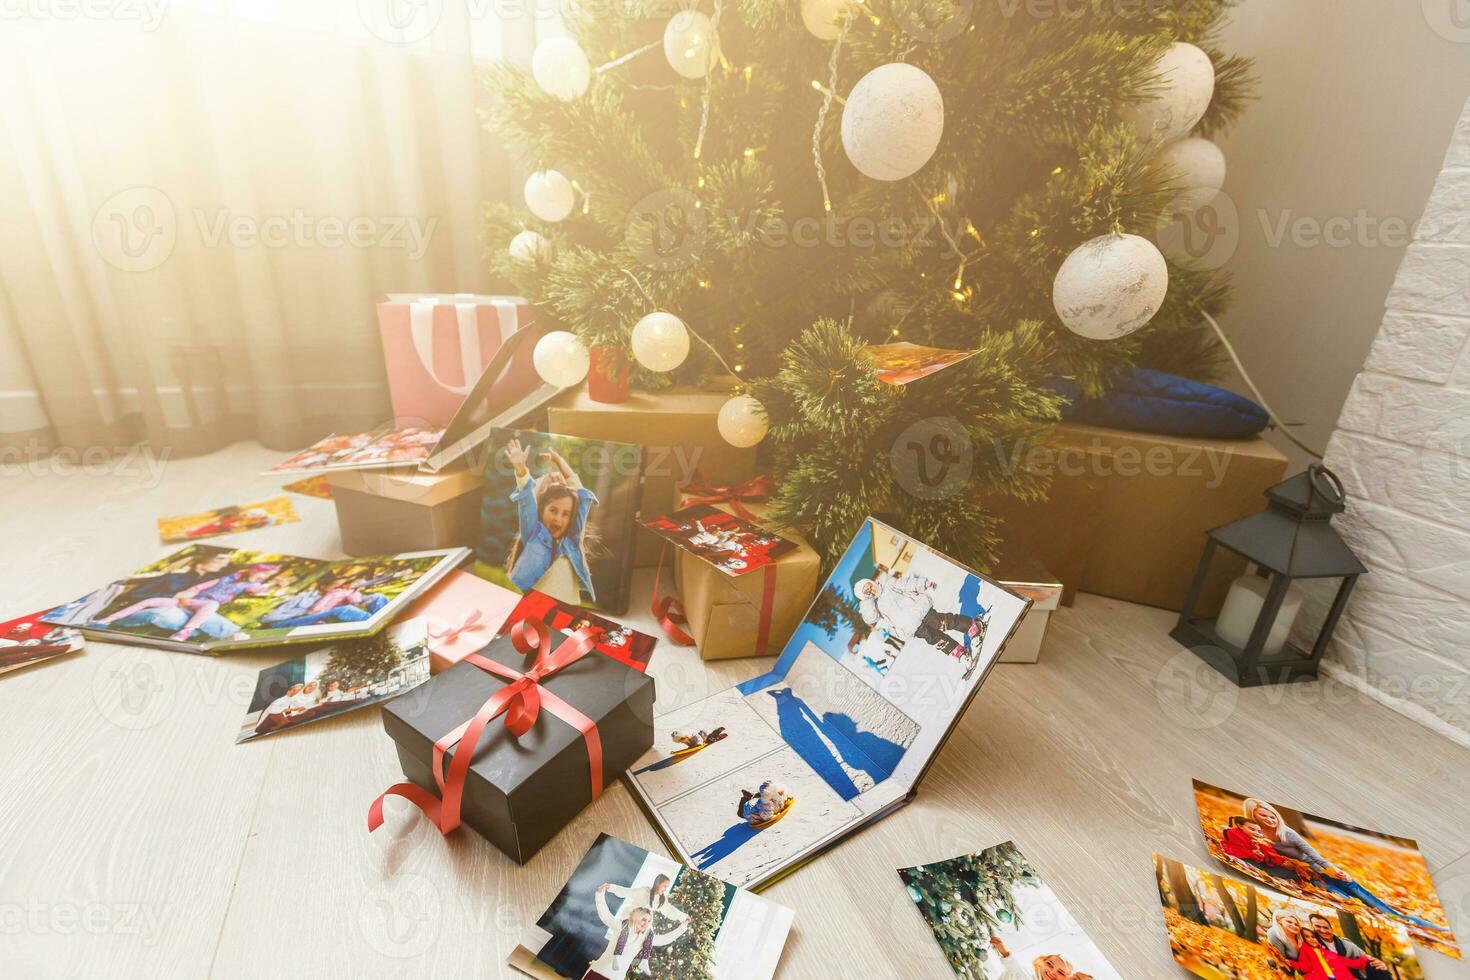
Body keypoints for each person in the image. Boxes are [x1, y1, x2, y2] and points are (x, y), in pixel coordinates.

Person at [1244, 799, 1445, 929]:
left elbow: (1314, 855)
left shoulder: (1287, 832)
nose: (1269, 819)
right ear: (1254, 817)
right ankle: (1391, 926)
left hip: (1325, 871)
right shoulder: (1256, 835)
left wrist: (1336, 871)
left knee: (1379, 907)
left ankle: (1427, 926)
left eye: (1272, 815)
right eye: (1264, 816)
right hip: (1312, 880)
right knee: (1350, 904)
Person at [505, 439, 599, 605]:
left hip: (569, 613)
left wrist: (560, 462)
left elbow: (583, 498)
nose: (558, 519)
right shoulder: (534, 536)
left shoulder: (572, 541)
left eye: (566, 514)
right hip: (536, 611)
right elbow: (526, 500)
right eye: (553, 510)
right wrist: (520, 469)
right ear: (541, 510)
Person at [94, 563, 280, 642]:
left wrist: (271, 586)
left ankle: (185, 632)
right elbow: (200, 587)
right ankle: (106, 620)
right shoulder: (228, 577)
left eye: (265, 575)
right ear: (255, 569)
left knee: (212, 606)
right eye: (262, 573)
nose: (261, 576)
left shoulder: (251, 585)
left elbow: (261, 591)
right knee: (150, 601)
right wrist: (183, 596)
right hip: (188, 600)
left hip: (204, 606)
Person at [855, 571, 988, 674]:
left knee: (944, 622)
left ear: (872, 582)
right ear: (865, 598)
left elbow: (907, 583)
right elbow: (870, 618)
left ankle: (972, 627)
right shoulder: (875, 607)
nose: (871, 591)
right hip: (909, 626)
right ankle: (960, 653)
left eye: (869, 586)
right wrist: (867, 603)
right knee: (935, 640)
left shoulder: (889, 584)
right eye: (866, 592)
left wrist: (924, 583)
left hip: (920, 610)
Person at [585, 899, 687, 980]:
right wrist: (600, 895)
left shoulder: (645, 938)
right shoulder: (621, 926)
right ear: (637, 917)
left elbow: (665, 939)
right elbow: (605, 915)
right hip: (598, 972)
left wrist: (682, 928)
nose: (646, 923)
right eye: (644, 919)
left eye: (649, 921)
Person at [1307, 913, 1390, 980]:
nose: (1323, 930)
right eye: (1317, 926)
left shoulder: (1345, 943)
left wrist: (1380, 964)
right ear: (1312, 927)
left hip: (1353, 974)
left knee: (1378, 969)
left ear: (1332, 929)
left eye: (1326, 928)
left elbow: (1364, 957)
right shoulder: (1313, 945)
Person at [1221, 816, 1305, 881]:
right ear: (1240, 826)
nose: (1256, 833)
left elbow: (1267, 852)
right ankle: (1294, 875)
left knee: (1288, 871)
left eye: (1258, 831)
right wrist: (1254, 853)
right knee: (1287, 873)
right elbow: (1232, 850)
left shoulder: (1253, 839)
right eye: (1252, 829)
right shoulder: (1235, 834)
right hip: (1251, 862)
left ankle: (1294, 874)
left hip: (1259, 862)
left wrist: (1281, 861)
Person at [595, 877, 689, 928]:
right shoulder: (644, 891)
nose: (665, 889)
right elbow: (627, 892)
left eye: (666, 887)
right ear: (658, 883)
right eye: (664, 886)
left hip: (642, 926)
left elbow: (669, 910)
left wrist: (683, 917)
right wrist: (610, 887)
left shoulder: (661, 900)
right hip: (630, 920)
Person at [1283, 928, 1373, 980]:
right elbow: (1305, 967)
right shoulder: (1305, 950)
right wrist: (1290, 962)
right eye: (1307, 937)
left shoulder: (1328, 953)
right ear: (1302, 939)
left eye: (1313, 937)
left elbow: (1351, 963)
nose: (1311, 939)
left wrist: (1365, 958)